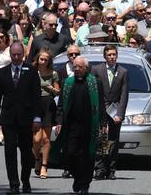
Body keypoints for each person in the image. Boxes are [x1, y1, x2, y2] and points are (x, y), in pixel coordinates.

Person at [0, 42, 42, 195]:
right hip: (9, 119)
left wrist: (37, 118)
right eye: (13, 55)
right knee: (10, 152)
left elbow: (36, 97)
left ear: (23, 55)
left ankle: (25, 181)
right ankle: (14, 184)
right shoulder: (3, 73)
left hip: (26, 119)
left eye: (18, 55)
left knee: (26, 152)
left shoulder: (32, 71)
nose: (15, 57)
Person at [54, 56, 107, 194]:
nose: (77, 69)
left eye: (80, 67)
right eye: (75, 67)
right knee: (70, 155)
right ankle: (78, 178)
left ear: (86, 68)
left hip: (90, 126)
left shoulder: (95, 83)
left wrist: (103, 123)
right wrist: (59, 121)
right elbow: (60, 105)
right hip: (71, 126)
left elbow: (101, 105)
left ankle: (85, 185)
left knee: (88, 157)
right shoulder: (67, 82)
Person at [92, 46, 128, 180]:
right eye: (109, 55)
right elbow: (94, 91)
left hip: (115, 111)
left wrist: (120, 113)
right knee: (101, 140)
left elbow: (124, 95)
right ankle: (100, 168)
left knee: (113, 141)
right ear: (104, 56)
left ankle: (111, 169)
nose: (112, 57)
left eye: (114, 54)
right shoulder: (96, 70)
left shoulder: (123, 71)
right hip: (101, 109)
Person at [32, 48, 60, 180]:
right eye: (41, 59)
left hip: (48, 104)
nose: (43, 62)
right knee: (36, 139)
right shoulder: (32, 72)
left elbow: (57, 91)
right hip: (35, 104)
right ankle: (37, 158)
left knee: (46, 139)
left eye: (45, 60)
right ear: (37, 59)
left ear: (49, 62)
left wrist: (52, 89)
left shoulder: (53, 73)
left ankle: (44, 165)